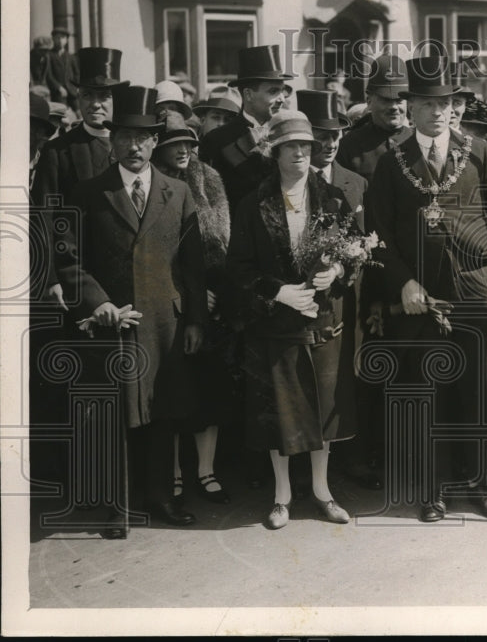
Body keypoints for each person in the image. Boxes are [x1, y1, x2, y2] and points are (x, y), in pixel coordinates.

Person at [367, 55, 487, 522]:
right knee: (428, 388)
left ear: (456, 106)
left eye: (445, 103)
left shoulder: (478, 151)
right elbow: (378, 233)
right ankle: (433, 489)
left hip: (478, 290)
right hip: (423, 296)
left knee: (479, 389)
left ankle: (479, 484)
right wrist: (403, 283)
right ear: (410, 108)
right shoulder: (390, 160)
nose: (437, 111)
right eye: (427, 103)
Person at [56, 84, 208, 537]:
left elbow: (193, 265)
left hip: (165, 322)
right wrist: (97, 301)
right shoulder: (88, 193)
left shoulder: (177, 192)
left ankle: (161, 498)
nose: (135, 145)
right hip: (114, 322)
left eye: (144, 138)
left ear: (156, 141)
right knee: (116, 417)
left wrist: (196, 319)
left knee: (163, 413)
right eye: (125, 136)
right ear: (112, 140)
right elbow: (69, 257)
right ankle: (116, 507)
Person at [227, 110, 359, 529]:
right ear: (275, 152)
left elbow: (355, 252)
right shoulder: (253, 204)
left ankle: (322, 491)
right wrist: (278, 291)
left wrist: (336, 271)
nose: (301, 153)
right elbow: (239, 268)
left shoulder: (334, 198)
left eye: (306, 145)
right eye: (291, 146)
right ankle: (282, 495)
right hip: (276, 325)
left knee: (323, 411)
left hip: (322, 322)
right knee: (279, 413)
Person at [297, 88, 381, 491]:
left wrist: (343, 269)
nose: (329, 144)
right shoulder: (285, 180)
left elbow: (363, 244)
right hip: (295, 298)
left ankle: (345, 462)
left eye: (335, 136)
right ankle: (295, 468)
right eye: (320, 136)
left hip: (341, 300)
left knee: (342, 380)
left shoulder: (354, 182)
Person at [151, 123, 235, 506]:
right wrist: (188, 296)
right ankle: (171, 472)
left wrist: (211, 295)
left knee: (209, 388)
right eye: (174, 144)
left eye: (188, 143)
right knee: (170, 391)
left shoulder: (208, 178)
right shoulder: (152, 183)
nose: (183, 149)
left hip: (210, 300)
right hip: (169, 301)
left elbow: (221, 243)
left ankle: (206, 468)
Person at [32, 47, 129, 310]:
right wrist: (50, 278)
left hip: (129, 277)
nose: (95, 103)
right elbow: (42, 216)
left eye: (104, 96)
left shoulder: (134, 147)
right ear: (78, 97)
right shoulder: (58, 151)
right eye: (88, 95)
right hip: (78, 277)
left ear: (115, 99)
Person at [199, 44, 292, 212]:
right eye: (273, 92)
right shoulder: (217, 141)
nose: (281, 99)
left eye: (283, 92)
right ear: (248, 94)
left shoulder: (290, 134)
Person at [336, 53, 411, 181]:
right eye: (386, 100)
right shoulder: (348, 147)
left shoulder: (420, 142)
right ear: (369, 101)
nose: (393, 107)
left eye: (399, 100)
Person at [44, 26, 79, 108]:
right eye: (57, 38)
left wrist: (77, 87)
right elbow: (48, 75)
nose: (60, 41)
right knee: (61, 113)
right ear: (53, 39)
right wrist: (59, 87)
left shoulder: (71, 57)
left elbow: (77, 74)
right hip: (58, 92)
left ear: (66, 40)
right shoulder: (49, 55)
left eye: (63, 38)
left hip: (72, 91)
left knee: (79, 113)